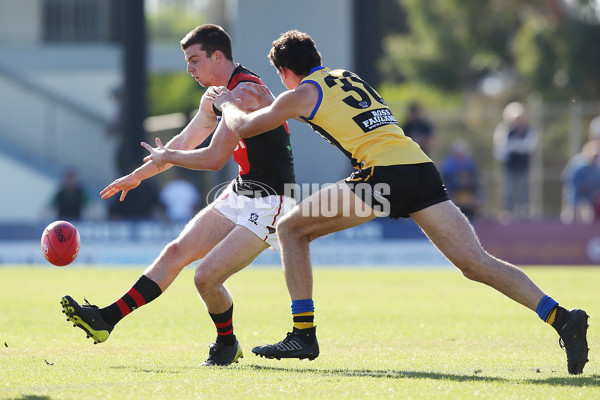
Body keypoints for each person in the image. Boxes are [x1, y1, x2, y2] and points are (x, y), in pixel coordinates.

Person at [208, 30, 589, 374]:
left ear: (285, 71)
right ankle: (562, 318)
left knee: (291, 229)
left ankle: (303, 334)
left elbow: (244, 126)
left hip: (384, 175)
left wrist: (226, 103)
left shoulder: (302, 91)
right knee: (476, 263)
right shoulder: (346, 77)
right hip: (420, 168)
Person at [60, 24, 296, 367]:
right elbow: (183, 143)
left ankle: (226, 344)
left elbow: (214, 158)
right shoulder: (216, 94)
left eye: (194, 60)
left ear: (218, 56)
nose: (189, 69)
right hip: (243, 190)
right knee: (175, 252)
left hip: (273, 200)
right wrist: (136, 176)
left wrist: (167, 157)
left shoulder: (245, 94)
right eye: (187, 61)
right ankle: (105, 320)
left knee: (205, 277)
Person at [493, 102, 538, 221]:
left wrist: (513, 146)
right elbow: (501, 149)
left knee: (523, 191)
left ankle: (523, 214)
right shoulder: (504, 130)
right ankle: (507, 214)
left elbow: (528, 146)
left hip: (523, 166)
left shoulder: (528, 130)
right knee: (508, 191)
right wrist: (515, 146)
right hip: (509, 167)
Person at [440, 140, 483, 221]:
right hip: (453, 191)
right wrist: (458, 181)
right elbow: (444, 181)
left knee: (480, 197)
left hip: (470, 191)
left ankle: (479, 220)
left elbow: (476, 180)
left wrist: (468, 182)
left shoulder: (470, 163)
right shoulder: (448, 164)